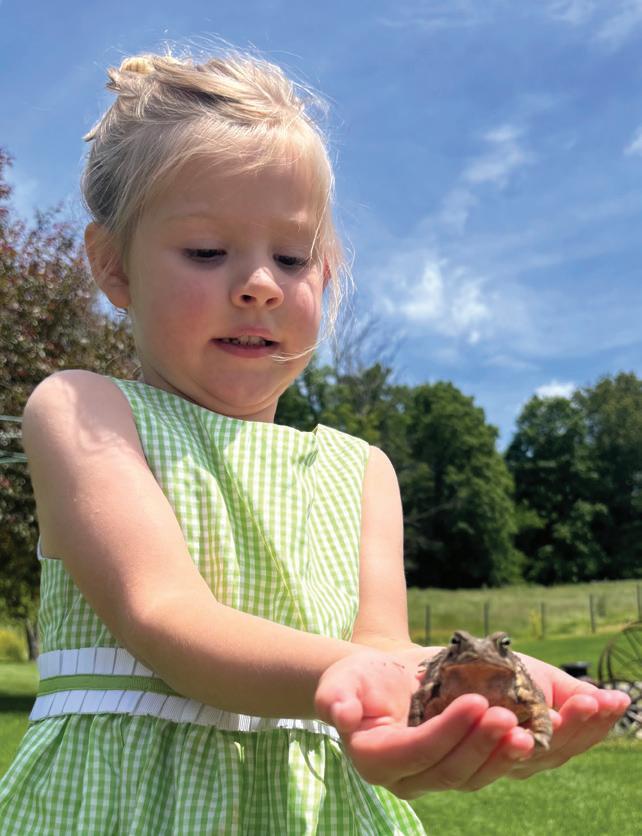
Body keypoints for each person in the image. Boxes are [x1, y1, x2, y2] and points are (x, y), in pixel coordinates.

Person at [0, 47, 629, 835]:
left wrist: (479, 691)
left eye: (292, 258)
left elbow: (382, 648)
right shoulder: (83, 410)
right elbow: (164, 613)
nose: (259, 284)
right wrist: (366, 675)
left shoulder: (361, 471)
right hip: (126, 806)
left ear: (324, 278)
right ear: (113, 267)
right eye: (206, 251)